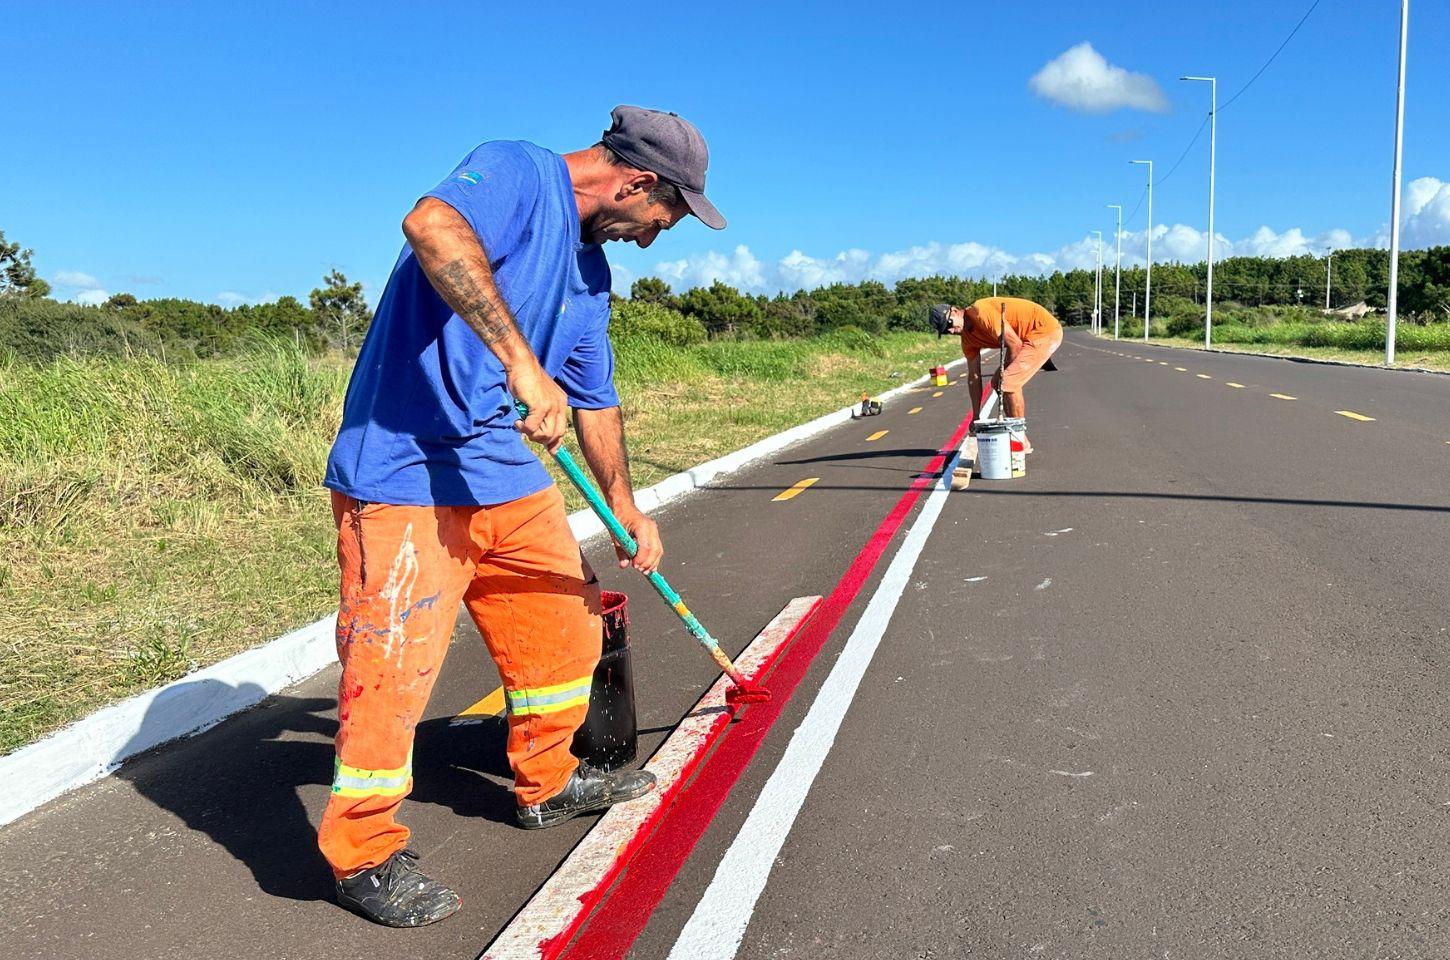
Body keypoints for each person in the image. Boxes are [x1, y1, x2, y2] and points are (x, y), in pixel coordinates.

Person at [318, 105, 726, 928]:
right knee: (392, 668)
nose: (651, 239)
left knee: (565, 628)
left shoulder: (590, 276)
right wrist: (520, 363)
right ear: (638, 183)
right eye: (663, 219)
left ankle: (547, 780)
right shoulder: (516, 170)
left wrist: (625, 506)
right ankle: (362, 853)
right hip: (404, 472)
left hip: (503, 476)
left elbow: (595, 398)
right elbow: (430, 227)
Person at [929, 297, 1062, 452]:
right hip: (1024, 338)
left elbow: (1014, 344)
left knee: (1008, 382)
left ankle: (1019, 439)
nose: (951, 331)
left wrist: (1003, 374)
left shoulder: (980, 312)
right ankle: (1017, 437)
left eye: (949, 324)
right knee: (998, 382)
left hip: (1044, 331)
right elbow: (974, 377)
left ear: (955, 311)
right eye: (946, 331)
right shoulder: (967, 340)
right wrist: (976, 416)